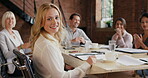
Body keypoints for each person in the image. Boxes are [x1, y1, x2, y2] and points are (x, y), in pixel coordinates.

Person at [30, 3, 96, 78]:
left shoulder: (43, 39)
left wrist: (64, 67)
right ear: (41, 22)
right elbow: (62, 77)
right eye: (49, 19)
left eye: (56, 17)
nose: (55, 22)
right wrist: (86, 64)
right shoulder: (48, 46)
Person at [0, 11, 30, 76]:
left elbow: (23, 50)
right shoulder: (2, 34)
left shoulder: (16, 32)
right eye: (8, 18)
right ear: (4, 21)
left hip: (24, 61)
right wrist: (19, 47)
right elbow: (6, 55)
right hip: (14, 65)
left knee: (39, 64)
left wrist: (32, 47)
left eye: (12, 18)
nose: (10, 20)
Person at [134, 12, 148, 77]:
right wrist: (137, 45)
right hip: (141, 62)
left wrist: (141, 43)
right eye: (142, 22)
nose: (144, 24)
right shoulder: (141, 35)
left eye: (147, 22)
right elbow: (138, 51)